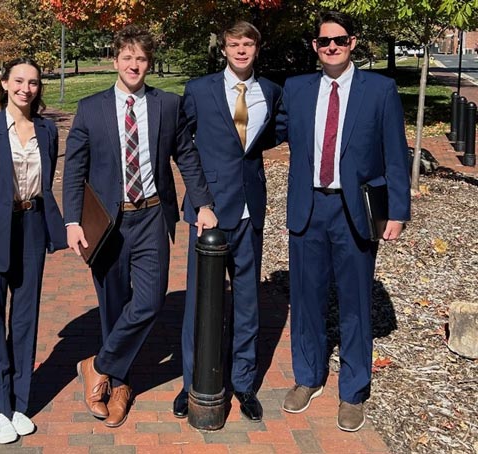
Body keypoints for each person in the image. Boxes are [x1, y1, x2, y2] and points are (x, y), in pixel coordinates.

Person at [63, 25, 217, 428]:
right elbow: (74, 168)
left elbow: (186, 155)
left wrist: (201, 203)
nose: (134, 65)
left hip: (151, 215)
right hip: (108, 223)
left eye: (142, 58)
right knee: (113, 307)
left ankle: (96, 366)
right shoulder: (90, 108)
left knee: (149, 302)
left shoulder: (167, 105)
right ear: (115, 61)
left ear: (150, 64)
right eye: (127, 57)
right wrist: (71, 221)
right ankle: (120, 386)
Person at [276, 11, 411, 432]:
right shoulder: (296, 90)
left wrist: (398, 211)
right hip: (308, 208)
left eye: (338, 40)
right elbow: (263, 132)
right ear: (315, 47)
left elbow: (395, 153)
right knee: (306, 300)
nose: (331, 47)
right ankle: (308, 377)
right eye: (323, 41)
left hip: (356, 209)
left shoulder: (380, 90)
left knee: (354, 304)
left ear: (353, 43)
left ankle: (353, 391)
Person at [175, 20, 282, 422]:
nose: (241, 50)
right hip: (211, 212)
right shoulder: (199, 90)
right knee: (200, 300)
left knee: (248, 301)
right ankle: (193, 384)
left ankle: (243, 383)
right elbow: (183, 146)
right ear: (224, 48)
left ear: (257, 48)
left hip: (250, 207)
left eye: (248, 44)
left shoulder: (270, 92)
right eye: (234, 44)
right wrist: (200, 200)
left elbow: (269, 137)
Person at [0, 57, 67, 443]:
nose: (26, 88)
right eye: (19, 81)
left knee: (25, 318)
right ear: (4, 84)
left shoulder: (47, 130)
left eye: (34, 82)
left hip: (32, 226)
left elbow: (47, 176)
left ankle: (19, 401)